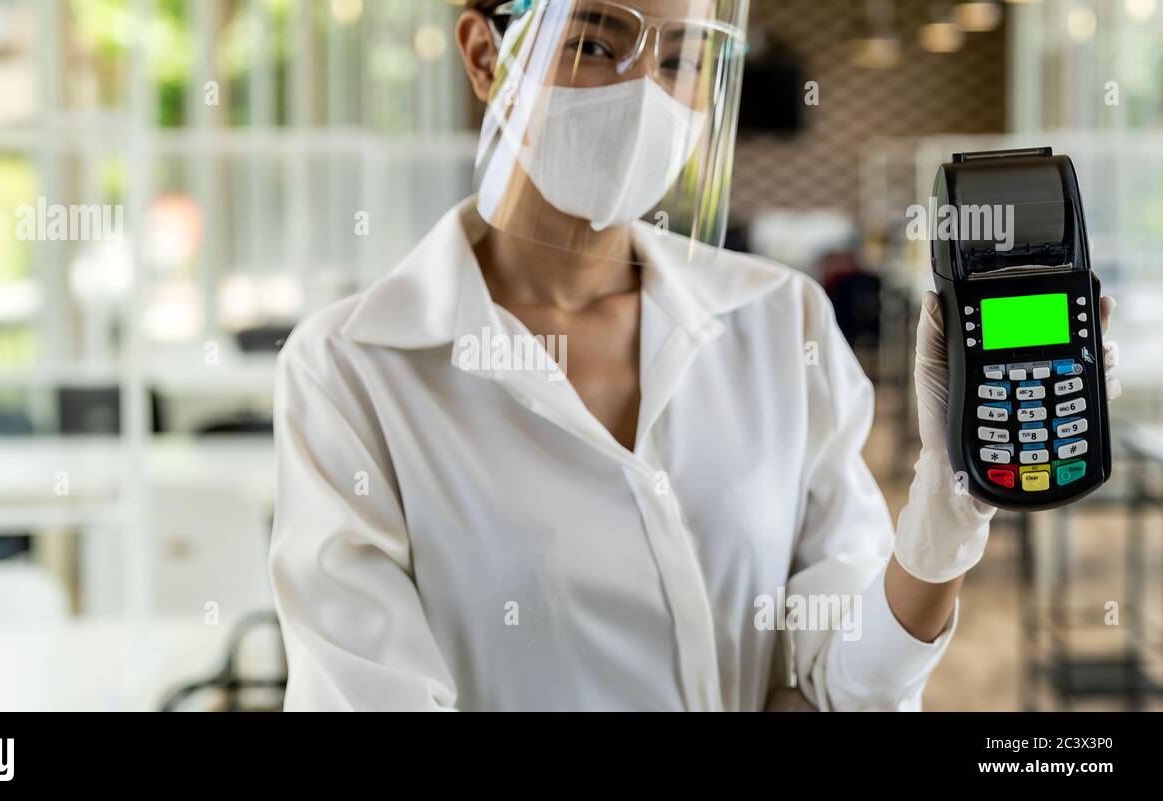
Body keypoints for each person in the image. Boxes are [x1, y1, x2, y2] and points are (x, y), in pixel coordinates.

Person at [268, 0, 1122, 711]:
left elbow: (842, 681)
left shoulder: (782, 321)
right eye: (596, 43)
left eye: (681, 59)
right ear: (487, 55)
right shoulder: (353, 372)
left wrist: (940, 529)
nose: (644, 93)